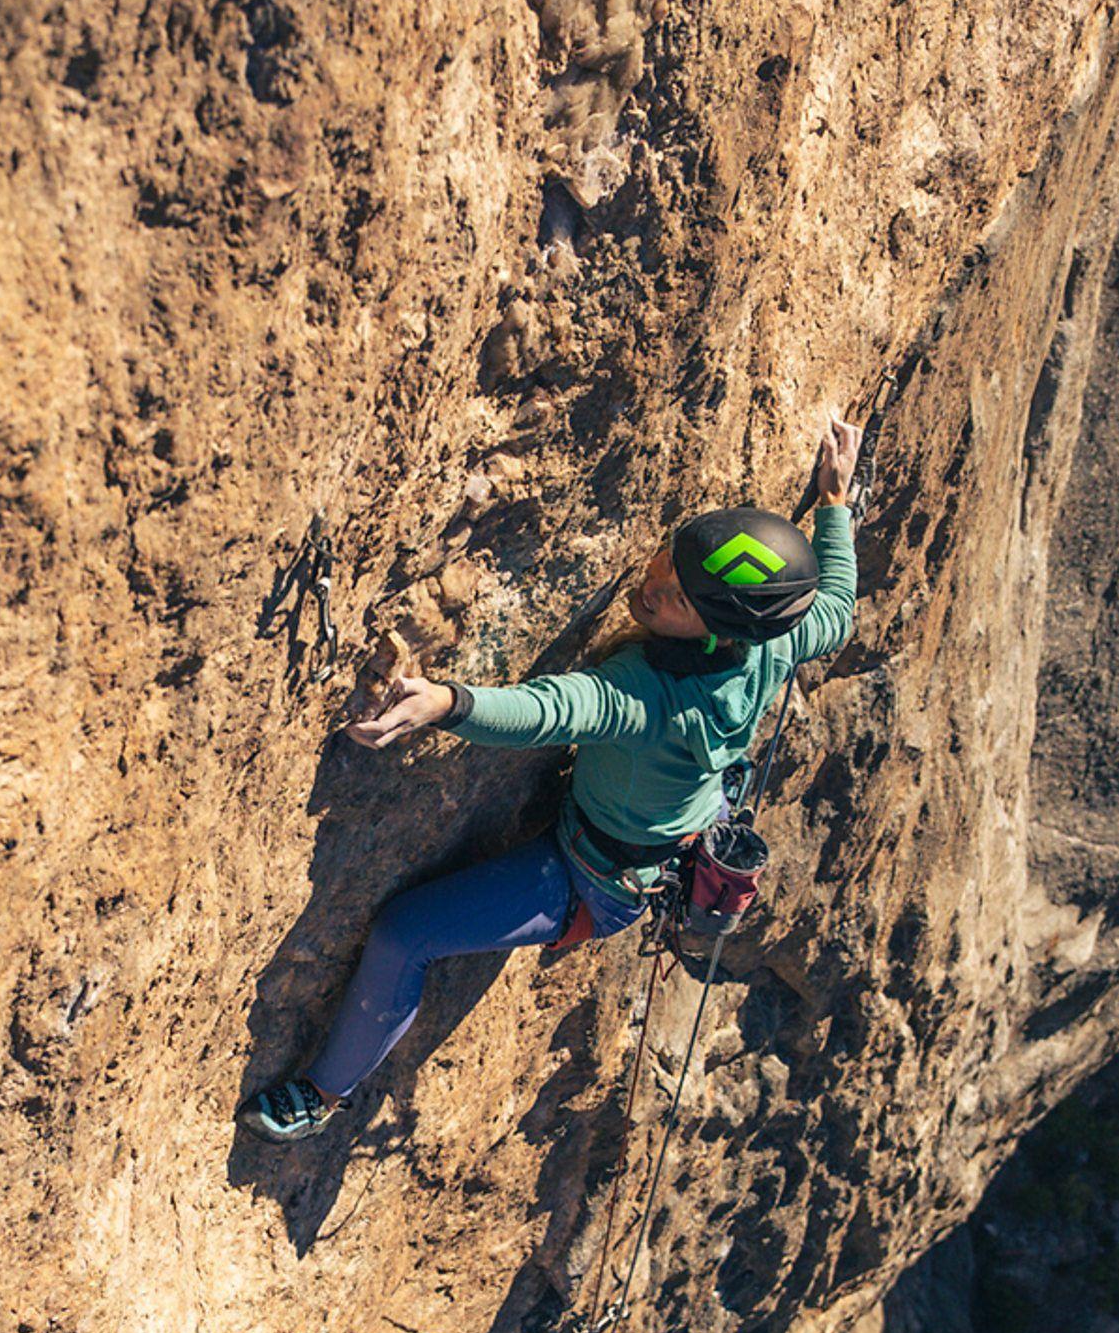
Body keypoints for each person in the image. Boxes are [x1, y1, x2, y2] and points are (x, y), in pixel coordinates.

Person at [240, 416, 864, 1140]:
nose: (655, 582)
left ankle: (323, 1095)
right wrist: (835, 504)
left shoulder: (650, 698)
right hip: (661, 827)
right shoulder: (772, 641)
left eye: (679, 597)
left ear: (715, 629)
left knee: (404, 935)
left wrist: (445, 703)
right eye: (671, 559)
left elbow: (553, 709)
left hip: (592, 880)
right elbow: (835, 610)